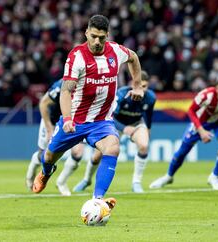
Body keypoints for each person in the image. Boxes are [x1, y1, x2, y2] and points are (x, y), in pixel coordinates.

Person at [31, 15, 144, 210]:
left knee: (113, 148)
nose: (97, 41)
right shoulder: (77, 57)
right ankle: (46, 172)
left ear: (107, 35)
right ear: (86, 33)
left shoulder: (116, 51)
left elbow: (133, 57)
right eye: (93, 36)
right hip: (75, 121)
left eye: (102, 37)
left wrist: (137, 86)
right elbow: (66, 90)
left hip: (101, 122)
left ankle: (98, 199)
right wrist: (66, 118)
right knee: (49, 157)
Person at [149, 77, 218, 190]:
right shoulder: (207, 95)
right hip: (201, 122)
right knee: (182, 152)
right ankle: (168, 176)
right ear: (216, 89)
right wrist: (201, 131)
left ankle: (214, 176)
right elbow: (191, 110)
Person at [72, 70, 156, 193]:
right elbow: (111, 116)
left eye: (145, 86)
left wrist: (148, 129)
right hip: (115, 124)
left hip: (136, 123)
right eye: (140, 86)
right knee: (97, 156)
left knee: (144, 146)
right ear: (133, 84)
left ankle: (136, 182)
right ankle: (87, 179)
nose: (142, 89)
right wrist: (124, 128)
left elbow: (148, 114)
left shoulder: (150, 97)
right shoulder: (121, 95)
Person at [25, 79, 86, 196]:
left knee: (78, 153)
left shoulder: (90, 83)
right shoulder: (62, 85)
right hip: (52, 121)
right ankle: (32, 172)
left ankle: (61, 182)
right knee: (45, 154)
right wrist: (49, 128)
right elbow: (43, 103)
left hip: (73, 122)